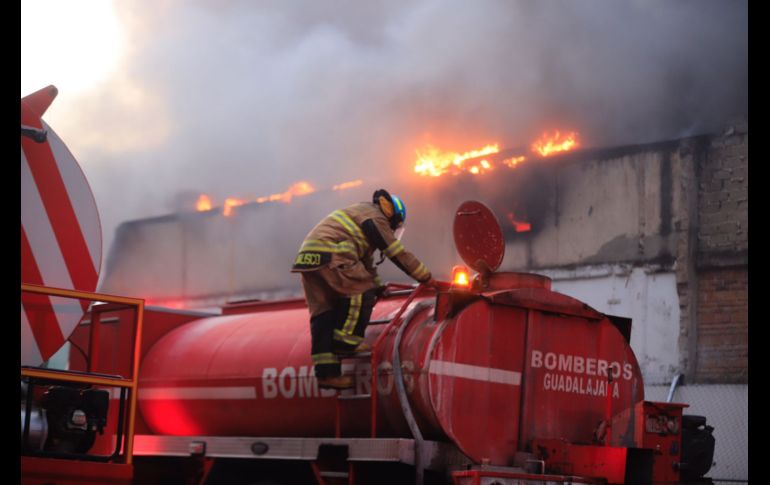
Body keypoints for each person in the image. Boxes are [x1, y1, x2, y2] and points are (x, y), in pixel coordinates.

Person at [291, 189, 432, 389]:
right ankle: (346, 343)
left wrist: (378, 285)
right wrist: (425, 277)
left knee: (323, 314)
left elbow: (365, 261)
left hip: (308, 259)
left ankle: (327, 374)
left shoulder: (359, 213)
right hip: (334, 254)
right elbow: (395, 252)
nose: (392, 231)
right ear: (392, 213)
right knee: (362, 291)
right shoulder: (376, 216)